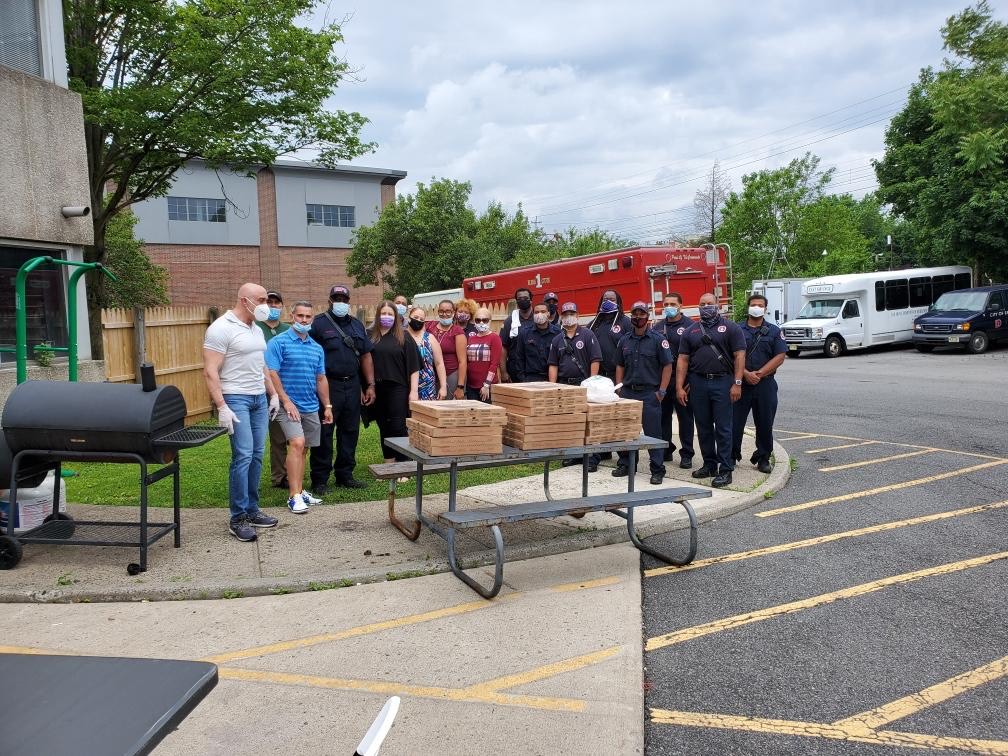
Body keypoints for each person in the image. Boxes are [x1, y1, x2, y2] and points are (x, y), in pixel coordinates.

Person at [202, 283, 282, 542]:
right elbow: (210, 371)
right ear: (244, 300)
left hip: (259, 398)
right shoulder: (221, 328)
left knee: (257, 454)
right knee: (243, 455)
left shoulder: (255, 329)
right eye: (261, 300)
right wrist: (222, 406)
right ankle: (237, 518)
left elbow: (261, 365)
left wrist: (273, 395)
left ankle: (252, 509)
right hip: (235, 398)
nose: (266, 305)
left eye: (267, 300)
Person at [265, 301, 333, 514]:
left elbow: (321, 378)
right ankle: (294, 497)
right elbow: (272, 373)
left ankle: (300, 490)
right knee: (296, 443)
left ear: (312, 319)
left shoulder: (316, 347)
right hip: (287, 405)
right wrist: (285, 400)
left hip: (310, 406)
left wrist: (327, 406)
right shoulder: (278, 342)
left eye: (308, 317)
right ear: (292, 315)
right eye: (300, 316)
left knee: (303, 449)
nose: (304, 320)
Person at [308, 284, 375, 494]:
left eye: (344, 299)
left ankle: (345, 475)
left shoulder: (356, 325)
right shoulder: (318, 325)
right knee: (325, 432)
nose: (340, 302)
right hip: (329, 384)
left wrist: (369, 385)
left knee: (350, 431)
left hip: (353, 384)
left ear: (349, 301)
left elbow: (365, 355)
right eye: (336, 298)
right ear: (329, 301)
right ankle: (320, 479)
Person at [675, 292, 746, 488]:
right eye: (702, 303)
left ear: (718, 305)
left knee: (723, 428)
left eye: (709, 303)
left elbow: (739, 356)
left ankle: (725, 469)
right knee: (703, 427)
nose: (705, 306)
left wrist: (737, 383)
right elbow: (683, 360)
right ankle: (709, 464)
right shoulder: (691, 331)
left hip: (723, 383)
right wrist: (679, 386)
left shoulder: (731, 328)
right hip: (698, 384)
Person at [614, 302, 675, 485]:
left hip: (650, 394)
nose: (638, 317)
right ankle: (626, 464)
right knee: (626, 433)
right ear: (630, 316)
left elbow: (667, 365)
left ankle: (657, 469)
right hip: (628, 394)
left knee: (653, 435)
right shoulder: (624, 340)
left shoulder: (658, 339)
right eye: (635, 314)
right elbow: (619, 365)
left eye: (641, 314)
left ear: (647, 316)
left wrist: (662, 391)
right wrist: (618, 388)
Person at [732, 293, 788, 474]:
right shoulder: (736, 329)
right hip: (741, 383)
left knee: (765, 423)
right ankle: (732, 456)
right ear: (748, 307)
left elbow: (780, 356)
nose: (756, 307)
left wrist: (760, 373)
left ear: (765, 309)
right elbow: (730, 355)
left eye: (760, 305)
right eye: (753, 304)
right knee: (734, 423)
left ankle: (763, 457)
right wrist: (745, 374)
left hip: (765, 384)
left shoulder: (774, 331)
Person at [369, 301, 421, 463]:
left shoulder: (404, 337)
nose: (386, 317)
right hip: (378, 388)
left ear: (396, 317)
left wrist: (414, 391)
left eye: (390, 314)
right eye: (383, 314)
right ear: (378, 316)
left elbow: (414, 367)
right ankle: (389, 461)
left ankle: (403, 462)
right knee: (383, 425)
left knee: (398, 426)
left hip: (398, 388)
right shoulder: (371, 337)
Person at [588, 290, 632, 467]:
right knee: (599, 418)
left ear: (618, 301)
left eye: (612, 299)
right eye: (605, 299)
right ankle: (599, 454)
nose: (608, 301)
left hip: (618, 377)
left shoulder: (625, 322)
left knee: (619, 419)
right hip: (599, 378)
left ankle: (624, 459)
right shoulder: (594, 323)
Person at [255, 290, 293, 490]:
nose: (273, 306)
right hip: (262, 389)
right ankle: (279, 477)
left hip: (287, 388)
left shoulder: (288, 329)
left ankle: (291, 472)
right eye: (269, 302)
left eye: (276, 303)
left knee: (292, 436)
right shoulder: (255, 328)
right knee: (275, 437)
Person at [654, 292, 696, 469]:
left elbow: (696, 355)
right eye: (666, 304)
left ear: (681, 306)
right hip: (663, 381)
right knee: (662, 418)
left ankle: (686, 454)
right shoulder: (657, 327)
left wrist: (691, 380)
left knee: (685, 419)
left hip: (683, 382)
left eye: (673, 303)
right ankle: (666, 449)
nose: (669, 307)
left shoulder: (691, 327)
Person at [548, 301, 601, 385]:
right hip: (563, 384)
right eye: (565, 314)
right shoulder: (556, 340)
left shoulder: (588, 334)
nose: (569, 316)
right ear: (561, 317)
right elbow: (553, 365)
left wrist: (592, 383)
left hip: (583, 382)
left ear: (577, 316)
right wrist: (552, 386)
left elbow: (595, 360)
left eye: (572, 314)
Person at [426, 299, 467, 399]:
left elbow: (463, 362)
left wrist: (460, 387)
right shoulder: (429, 326)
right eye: (441, 311)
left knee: (445, 405)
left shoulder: (457, 331)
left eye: (448, 311)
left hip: (451, 374)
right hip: (432, 375)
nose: (444, 314)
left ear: (453, 313)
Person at [408, 305, 448, 401]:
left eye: (421, 319)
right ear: (409, 318)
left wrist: (443, 387)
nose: (418, 320)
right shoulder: (401, 337)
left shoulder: (430, 338)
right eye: (415, 317)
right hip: (405, 386)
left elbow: (439, 363)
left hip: (427, 386)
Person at [512, 303, 560, 382]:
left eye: (543, 311)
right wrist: (523, 378)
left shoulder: (557, 333)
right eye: (536, 312)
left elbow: (561, 358)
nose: (539, 314)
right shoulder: (524, 333)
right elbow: (519, 358)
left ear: (548, 313)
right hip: (530, 379)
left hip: (552, 378)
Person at [465, 306, 502, 401]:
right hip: (471, 385)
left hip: (486, 386)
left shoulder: (494, 338)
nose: (481, 322)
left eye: (484, 320)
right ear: (474, 322)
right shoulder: (471, 338)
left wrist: (486, 385)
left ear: (489, 321)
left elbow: (494, 364)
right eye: (478, 320)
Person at [500, 287, 534, 382]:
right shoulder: (509, 322)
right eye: (519, 299)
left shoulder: (538, 319)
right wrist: (503, 372)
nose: (522, 300)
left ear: (531, 300)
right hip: (515, 370)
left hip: (536, 370)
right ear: (516, 301)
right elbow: (503, 347)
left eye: (525, 298)